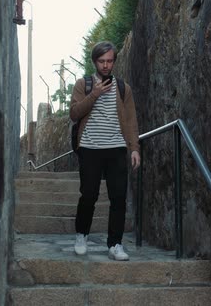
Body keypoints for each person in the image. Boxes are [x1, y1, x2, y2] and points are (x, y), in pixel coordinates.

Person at [69, 41, 141, 261]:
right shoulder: (84, 85)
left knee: (118, 198)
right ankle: (82, 235)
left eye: (110, 61)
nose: (106, 65)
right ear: (94, 62)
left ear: (114, 62)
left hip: (117, 148)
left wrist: (134, 148)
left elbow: (130, 120)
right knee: (89, 194)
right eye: (102, 61)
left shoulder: (123, 88)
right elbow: (74, 113)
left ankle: (115, 244)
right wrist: (95, 95)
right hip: (90, 148)